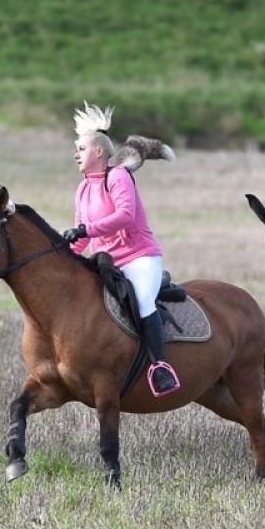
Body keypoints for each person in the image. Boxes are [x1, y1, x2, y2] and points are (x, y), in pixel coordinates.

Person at [62, 102, 181, 398]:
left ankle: (161, 367)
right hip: (107, 264)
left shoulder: (118, 177)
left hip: (140, 258)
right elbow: (80, 238)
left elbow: (125, 217)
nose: (75, 154)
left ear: (99, 152)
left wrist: (87, 230)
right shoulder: (82, 189)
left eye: (81, 148)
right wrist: (64, 256)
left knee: (142, 302)